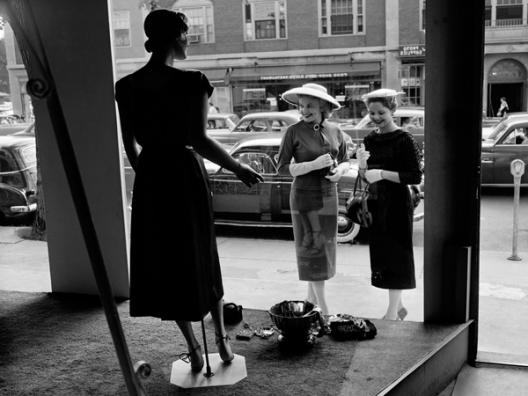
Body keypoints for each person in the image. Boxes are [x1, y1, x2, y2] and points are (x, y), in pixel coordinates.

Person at [114, 9, 263, 372]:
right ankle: (222, 342)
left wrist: (148, 173)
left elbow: (129, 144)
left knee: (166, 262)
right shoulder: (192, 81)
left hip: (152, 176)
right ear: (174, 37)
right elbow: (199, 139)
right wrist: (239, 167)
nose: (189, 40)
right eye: (186, 33)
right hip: (183, 173)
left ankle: (194, 348)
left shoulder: (127, 86)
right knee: (202, 256)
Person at [277, 83, 350, 316]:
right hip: (303, 198)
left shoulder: (335, 130)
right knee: (311, 247)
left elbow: (346, 159)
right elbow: (282, 169)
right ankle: (323, 309)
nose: (304, 110)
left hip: (329, 195)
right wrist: (313, 165)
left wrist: (339, 172)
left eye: (309, 105)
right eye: (301, 106)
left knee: (325, 249)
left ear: (323, 106)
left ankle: (310, 299)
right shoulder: (293, 132)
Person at [355, 88, 422, 321]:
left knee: (397, 254)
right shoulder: (370, 139)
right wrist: (362, 166)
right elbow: (365, 177)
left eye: (380, 112)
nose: (375, 117)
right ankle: (399, 306)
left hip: (396, 203)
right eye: (371, 113)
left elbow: (415, 176)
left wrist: (382, 173)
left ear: (392, 110)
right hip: (377, 202)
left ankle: (392, 312)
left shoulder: (404, 139)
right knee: (383, 254)